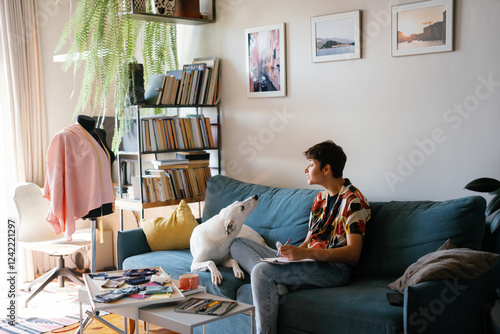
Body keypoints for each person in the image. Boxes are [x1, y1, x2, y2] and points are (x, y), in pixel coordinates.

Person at [230, 140, 371, 334]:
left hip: (334, 269)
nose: (306, 169)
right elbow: (308, 240)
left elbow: (353, 253)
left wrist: (305, 253)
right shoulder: (320, 199)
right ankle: (280, 281)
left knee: (261, 272)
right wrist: (291, 253)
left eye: (311, 164)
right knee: (237, 243)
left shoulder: (353, 201)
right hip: (308, 258)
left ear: (326, 169)